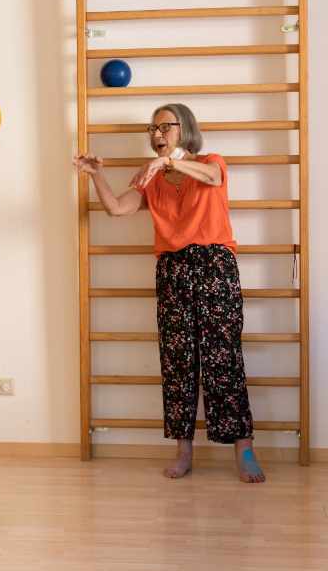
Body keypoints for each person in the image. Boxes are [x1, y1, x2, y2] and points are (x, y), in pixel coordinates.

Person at [74, 103, 265, 484]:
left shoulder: (210, 161)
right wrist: (97, 175)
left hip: (214, 265)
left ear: (184, 129)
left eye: (165, 127)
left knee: (223, 359)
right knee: (177, 362)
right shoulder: (150, 178)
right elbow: (116, 208)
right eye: (153, 128)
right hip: (173, 269)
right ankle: (183, 449)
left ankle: (243, 448)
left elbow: (212, 178)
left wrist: (167, 163)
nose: (157, 134)